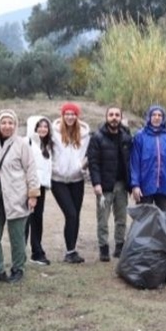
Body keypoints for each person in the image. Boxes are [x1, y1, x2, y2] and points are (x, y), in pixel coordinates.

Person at [0, 109, 40, 285]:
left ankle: (18, 268)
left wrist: (33, 195)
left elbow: (31, 170)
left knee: (17, 236)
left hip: (16, 197)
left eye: (10, 123)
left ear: (15, 125)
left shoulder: (22, 144)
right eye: (4, 122)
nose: (7, 126)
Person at [87, 106, 132, 262]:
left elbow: (130, 161)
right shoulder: (97, 137)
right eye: (111, 115)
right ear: (106, 117)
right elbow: (93, 162)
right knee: (103, 219)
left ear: (121, 117)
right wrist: (96, 183)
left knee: (121, 218)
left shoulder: (126, 137)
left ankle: (119, 246)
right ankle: (103, 248)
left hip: (121, 185)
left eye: (117, 115)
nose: (114, 117)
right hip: (104, 186)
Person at [52, 102, 91, 263]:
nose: (69, 116)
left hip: (77, 179)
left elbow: (89, 153)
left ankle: (71, 251)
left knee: (76, 216)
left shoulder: (84, 135)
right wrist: (53, 167)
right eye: (67, 113)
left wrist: (82, 166)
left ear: (77, 116)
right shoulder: (54, 133)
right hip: (58, 179)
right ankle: (70, 251)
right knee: (71, 213)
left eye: (73, 114)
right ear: (62, 115)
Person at [130, 105, 166, 211]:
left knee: (162, 218)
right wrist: (135, 185)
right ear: (149, 117)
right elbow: (134, 162)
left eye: (160, 115)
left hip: (164, 184)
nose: (157, 117)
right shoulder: (140, 136)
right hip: (145, 185)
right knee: (144, 219)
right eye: (154, 115)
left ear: (163, 118)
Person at [24, 116, 54, 265]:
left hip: (41, 186)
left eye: (45, 126)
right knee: (25, 219)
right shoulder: (27, 142)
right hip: (28, 185)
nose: (42, 129)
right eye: (39, 126)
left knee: (37, 219)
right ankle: (20, 252)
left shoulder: (47, 145)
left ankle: (37, 251)